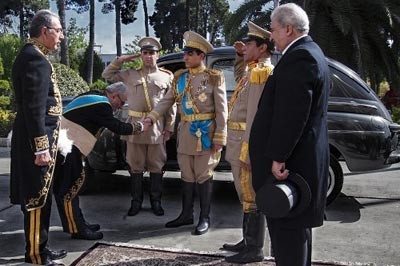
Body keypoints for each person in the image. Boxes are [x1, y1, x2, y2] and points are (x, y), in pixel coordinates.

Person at [249, 4, 330, 266]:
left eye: (273, 30)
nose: (271, 36)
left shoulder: (300, 57)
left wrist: (277, 157)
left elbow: (292, 115)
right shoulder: (311, 52)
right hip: (299, 163)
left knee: (287, 236)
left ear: (288, 28)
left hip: (290, 167)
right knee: (297, 234)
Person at [144, 31, 228, 235]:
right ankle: (186, 214)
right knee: (187, 175)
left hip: (205, 135)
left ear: (201, 55)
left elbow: (222, 109)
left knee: (204, 175)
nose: (186, 57)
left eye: (190, 53)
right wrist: (151, 118)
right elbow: (166, 101)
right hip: (185, 135)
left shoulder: (214, 78)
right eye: (185, 53)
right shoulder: (180, 78)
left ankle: (204, 217)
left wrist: (220, 137)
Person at [53, 82, 146, 240]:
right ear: (113, 95)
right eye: (121, 102)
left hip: (66, 146)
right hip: (69, 148)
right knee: (70, 189)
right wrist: (140, 126)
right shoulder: (103, 105)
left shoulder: (93, 97)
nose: (120, 106)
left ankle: (77, 223)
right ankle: (77, 229)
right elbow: (118, 128)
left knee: (69, 187)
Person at [10, 9, 67, 265]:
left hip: (40, 139)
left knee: (42, 197)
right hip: (37, 143)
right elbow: (34, 108)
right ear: (45, 31)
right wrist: (41, 148)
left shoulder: (33, 55)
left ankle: (41, 247)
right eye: (59, 31)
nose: (62, 37)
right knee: (36, 196)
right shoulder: (35, 59)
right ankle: (35, 254)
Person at [102, 37, 176, 217]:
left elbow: (171, 103)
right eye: (145, 53)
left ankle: (156, 201)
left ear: (158, 55)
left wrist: (170, 126)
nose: (149, 56)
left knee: (156, 166)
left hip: (156, 126)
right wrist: (121, 60)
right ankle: (136, 202)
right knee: (135, 166)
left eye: (152, 53)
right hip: (135, 126)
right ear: (141, 55)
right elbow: (107, 75)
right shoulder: (129, 74)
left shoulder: (167, 76)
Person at [222, 22, 274, 264]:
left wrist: (248, 150)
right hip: (236, 141)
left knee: (251, 195)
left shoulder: (261, 72)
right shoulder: (252, 69)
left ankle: (255, 249)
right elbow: (239, 76)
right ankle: (247, 240)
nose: (245, 47)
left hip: (246, 143)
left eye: (250, 45)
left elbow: (253, 115)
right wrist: (239, 55)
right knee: (244, 195)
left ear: (262, 48)